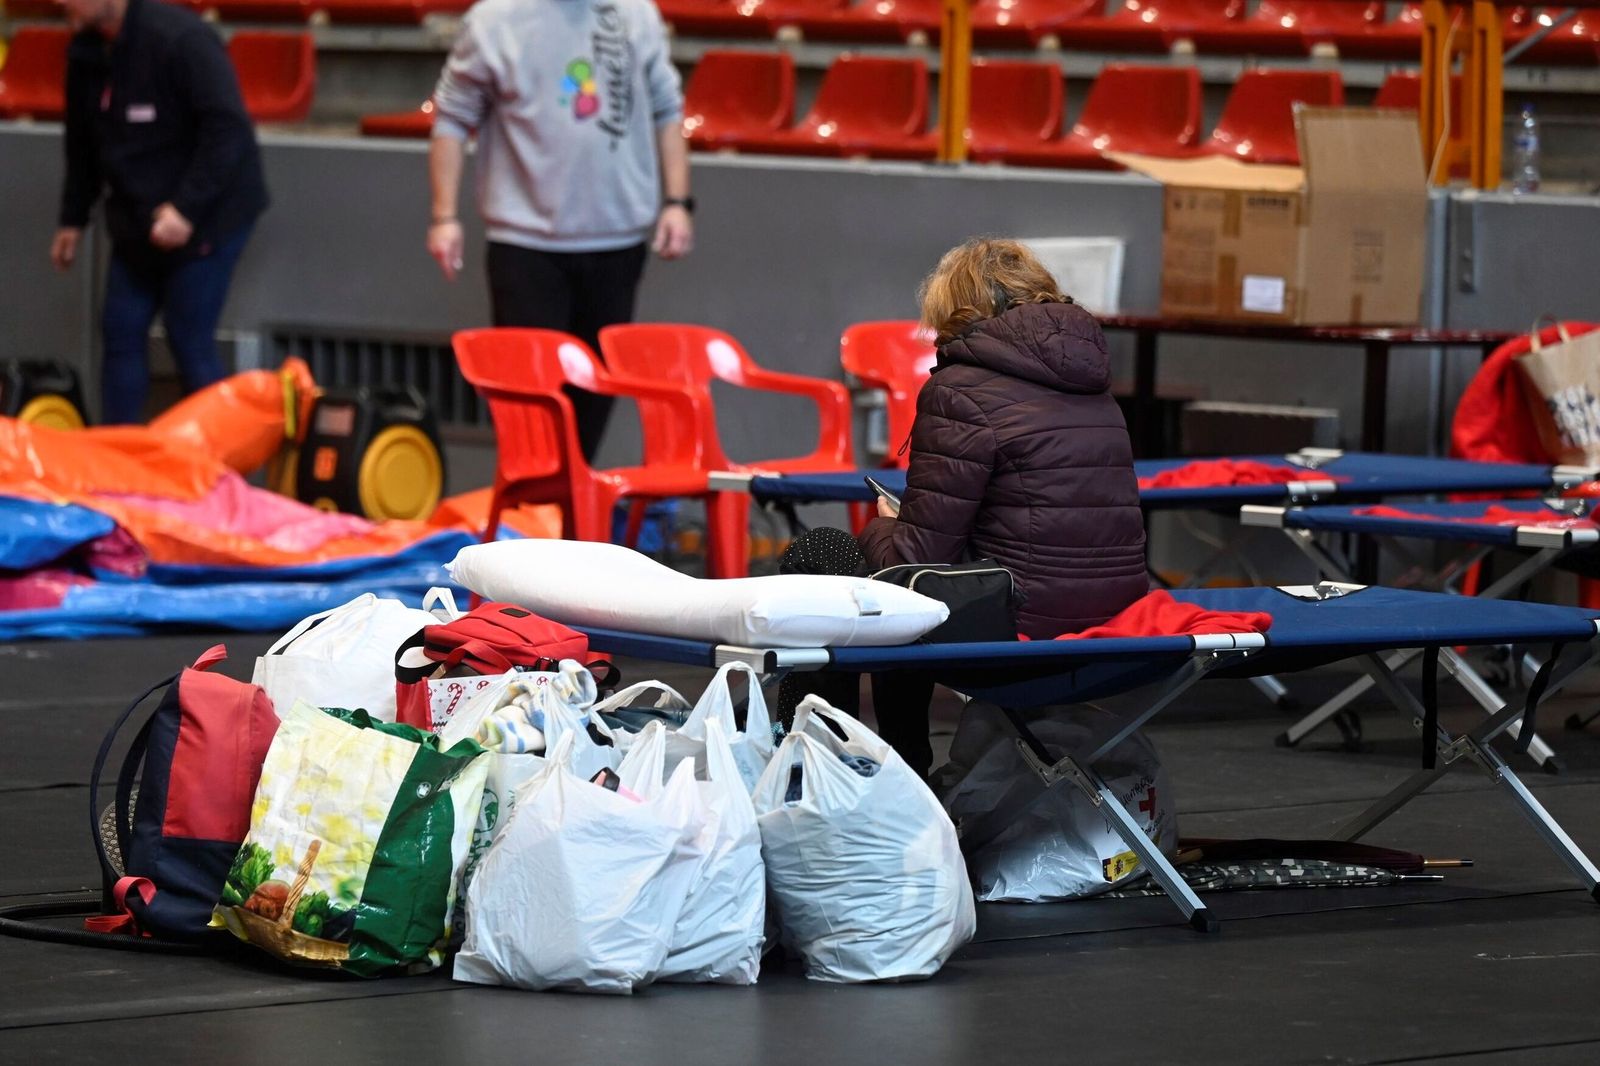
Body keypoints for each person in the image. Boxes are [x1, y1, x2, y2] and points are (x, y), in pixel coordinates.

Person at [781, 238, 1149, 777]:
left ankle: (828, 766)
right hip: (1116, 616)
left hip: (1019, 623)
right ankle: (892, 762)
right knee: (904, 584)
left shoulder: (958, 390)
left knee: (828, 554)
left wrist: (886, 525)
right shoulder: (1094, 384)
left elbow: (914, 554)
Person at [426, 0, 693, 460]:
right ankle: (537, 516)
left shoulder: (636, 12)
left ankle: (571, 519)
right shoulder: (495, 20)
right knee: (532, 416)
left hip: (617, 242)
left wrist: (677, 202)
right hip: (526, 246)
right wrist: (444, 216)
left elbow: (667, 110)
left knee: (592, 412)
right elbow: (451, 118)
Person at [51, 0, 268, 425]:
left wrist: (186, 209)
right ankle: (121, 455)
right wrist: (72, 219)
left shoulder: (180, 39)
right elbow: (82, 142)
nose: (59, 3)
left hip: (210, 213)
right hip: (138, 218)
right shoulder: (84, 52)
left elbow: (228, 130)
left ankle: (212, 464)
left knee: (188, 336)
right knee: (120, 329)